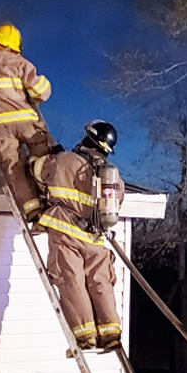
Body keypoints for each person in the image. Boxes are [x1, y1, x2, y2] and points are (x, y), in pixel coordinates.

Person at [30, 121, 124, 350]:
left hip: (66, 234)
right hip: (96, 238)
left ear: (88, 139)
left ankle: (86, 335)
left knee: (71, 281)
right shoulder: (112, 177)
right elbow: (117, 201)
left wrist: (43, 156)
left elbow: (38, 172)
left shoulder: (65, 161)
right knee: (100, 282)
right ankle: (110, 332)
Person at [0, 23, 54, 225]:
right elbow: (41, 92)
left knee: (13, 168)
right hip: (23, 120)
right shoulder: (18, 62)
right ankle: (48, 194)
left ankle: (34, 213)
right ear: (13, 45)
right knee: (43, 152)